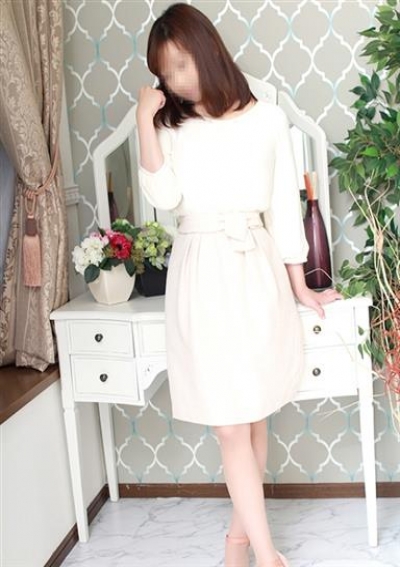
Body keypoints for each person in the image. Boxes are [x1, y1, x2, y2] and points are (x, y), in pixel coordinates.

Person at [136, 4, 341, 566]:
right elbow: (163, 197)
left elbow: (283, 209)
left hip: (255, 266)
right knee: (229, 426)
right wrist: (143, 120)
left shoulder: (268, 120)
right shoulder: (169, 125)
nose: (176, 81)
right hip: (200, 272)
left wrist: (301, 285)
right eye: (165, 73)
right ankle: (269, 556)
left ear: (206, 48)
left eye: (181, 64)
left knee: (252, 414)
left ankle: (237, 545)